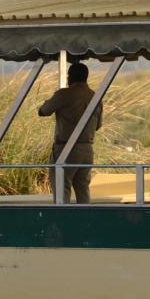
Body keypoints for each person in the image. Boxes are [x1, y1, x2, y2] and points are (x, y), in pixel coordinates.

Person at [39, 62, 103, 204]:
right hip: (87, 149)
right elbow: (98, 125)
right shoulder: (95, 97)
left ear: (71, 77)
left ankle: (63, 221)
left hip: (66, 148)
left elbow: (43, 111)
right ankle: (85, 221)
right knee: (83, 189)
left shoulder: (64, 94)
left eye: (68, 75)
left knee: (62, 187)